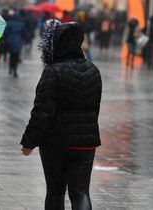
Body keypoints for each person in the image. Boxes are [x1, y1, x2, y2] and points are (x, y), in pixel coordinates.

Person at [20, 20, 102, 210]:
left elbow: (42, 111)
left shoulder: (53, 72)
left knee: (55, 191)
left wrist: (29, 142)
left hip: (55, 143)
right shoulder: (93, 70)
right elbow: (95, 108)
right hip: (85, 143)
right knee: (81, 191)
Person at [4, 10, 28, 77]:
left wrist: (5, 39)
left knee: (11, 56)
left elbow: (5, 33)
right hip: (18, 42)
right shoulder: (21, 24)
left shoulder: (9, 23)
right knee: (16, 56)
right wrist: (26, 40)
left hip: (10, 42)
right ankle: (15, 71)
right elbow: (25, 34)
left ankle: (10, 69)